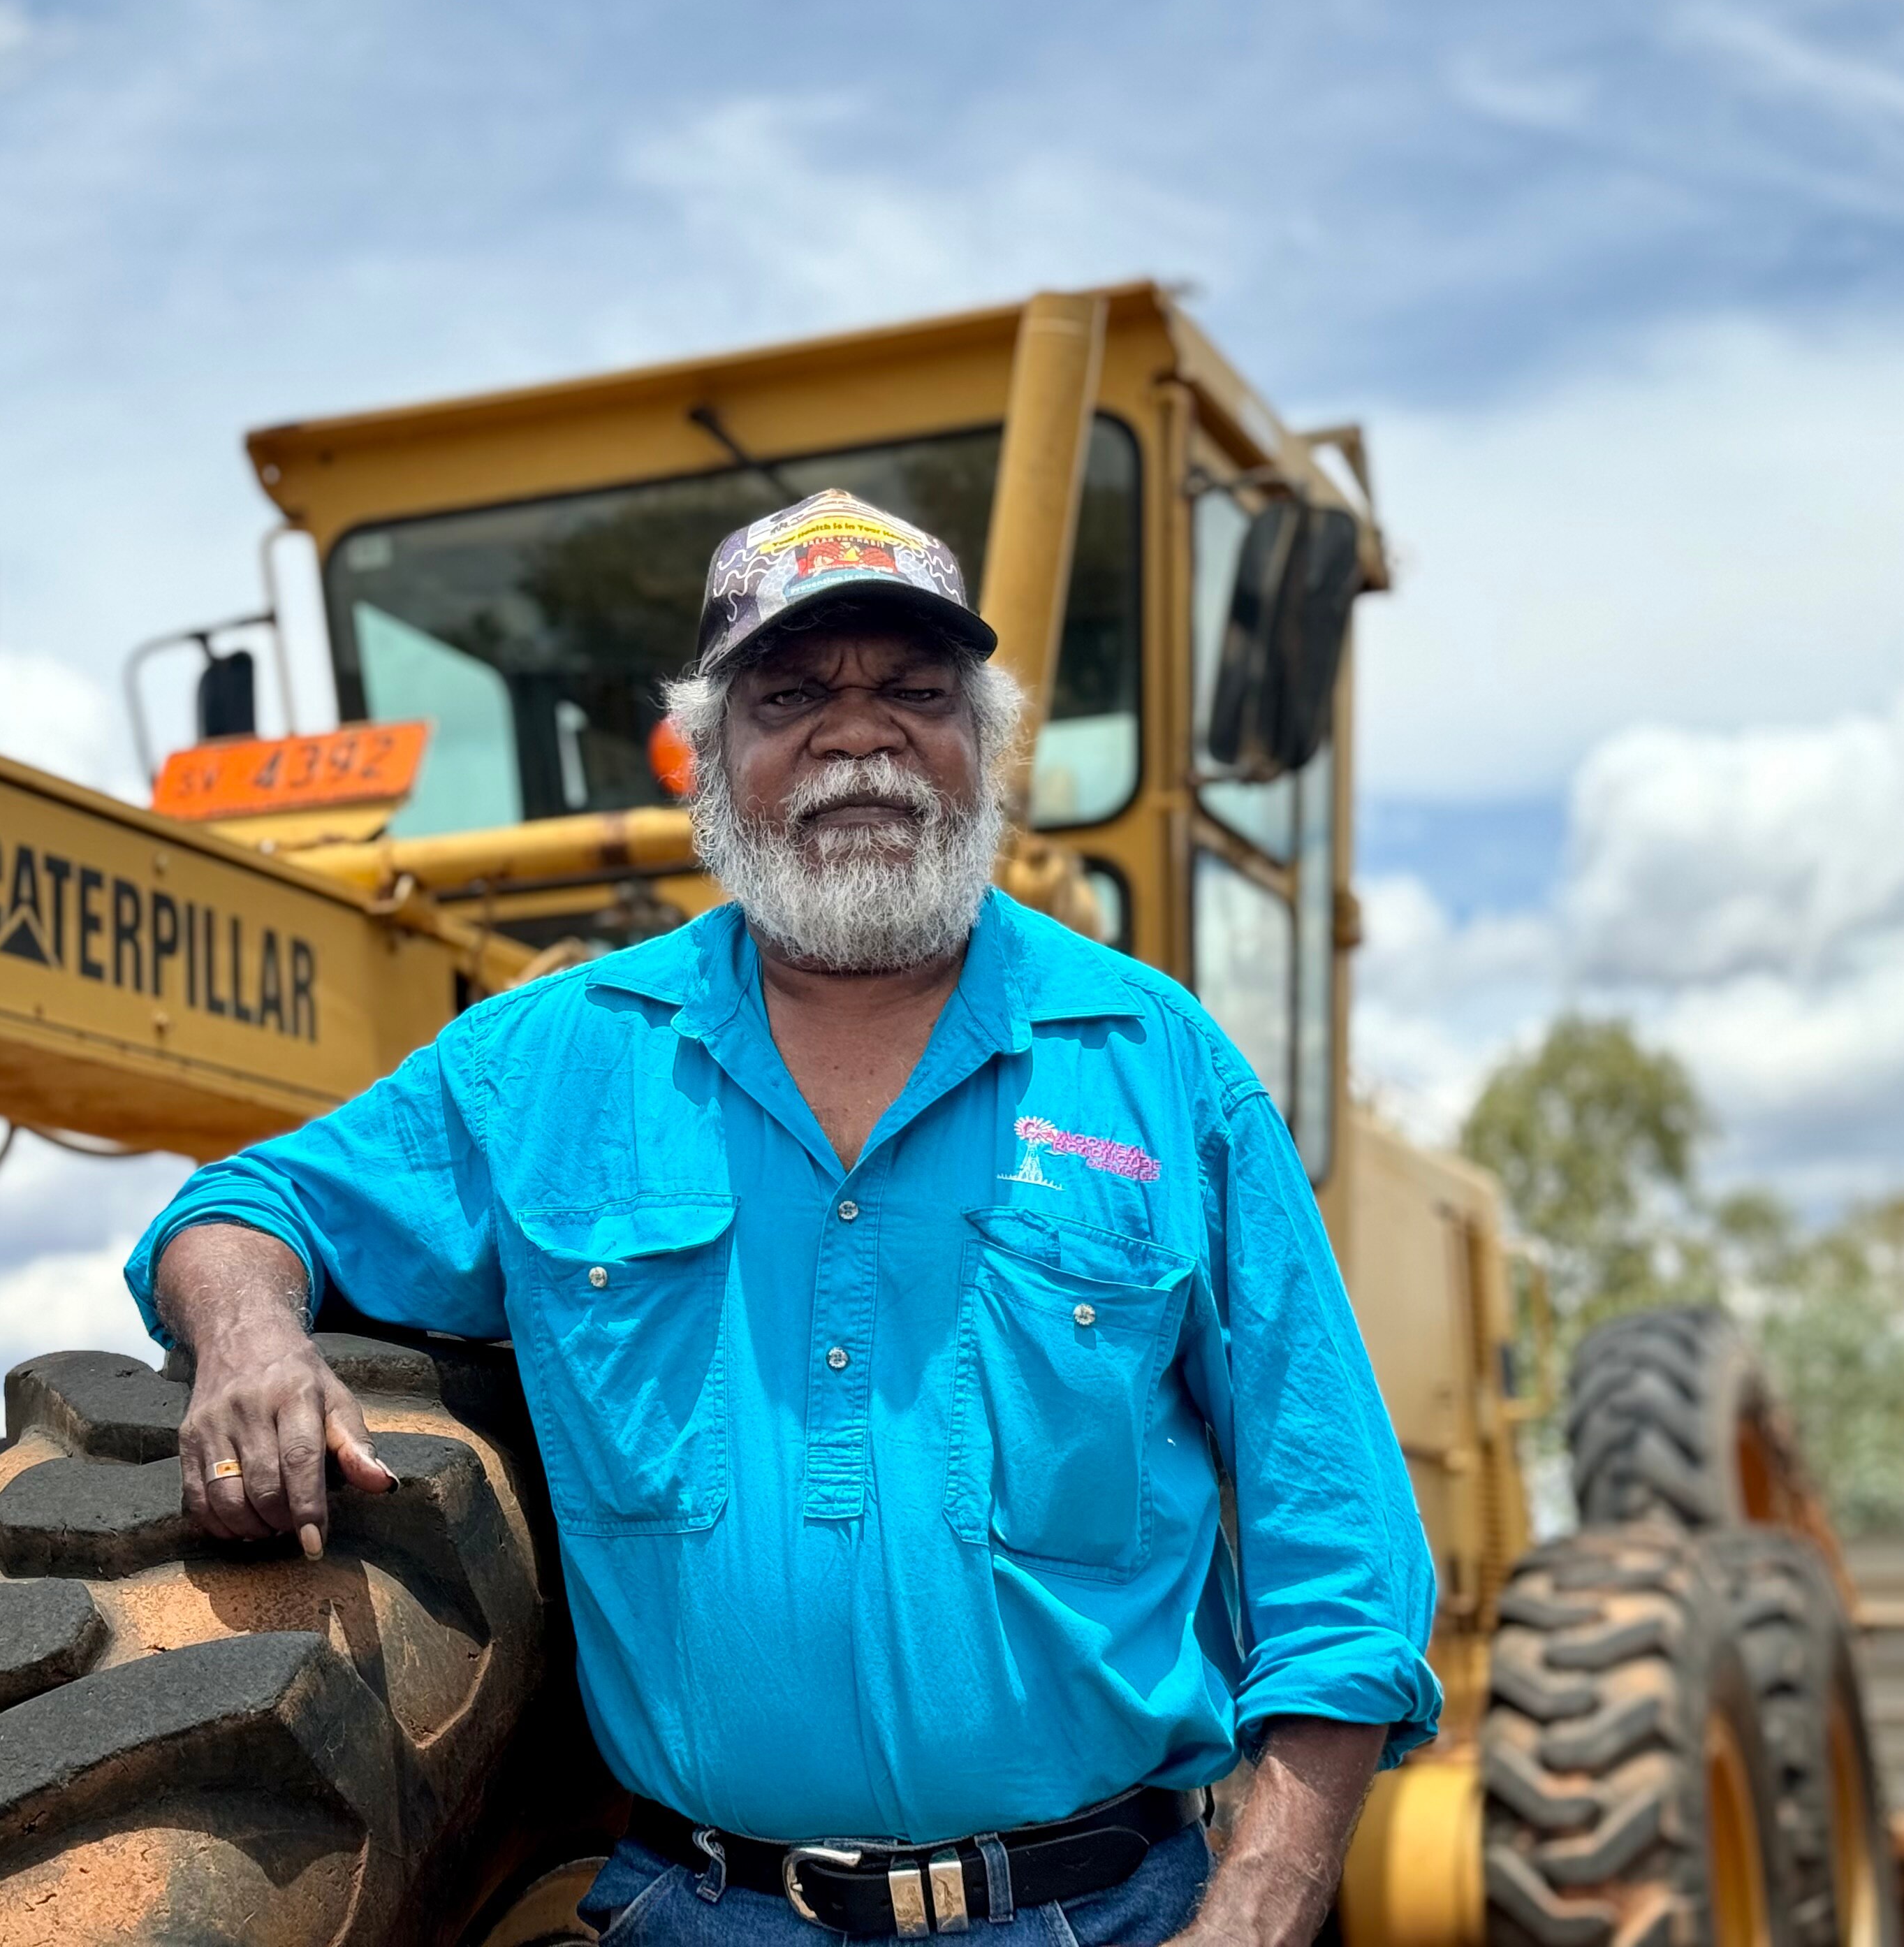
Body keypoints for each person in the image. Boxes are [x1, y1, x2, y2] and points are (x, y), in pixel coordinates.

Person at [126, 489, 1441, 1946]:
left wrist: (1260, 1904)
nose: (858, 734)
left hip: (1105, 1914)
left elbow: (1344, 1554)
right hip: (702, 1912)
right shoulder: (552, 1062)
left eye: (916, 693)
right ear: (709, 758)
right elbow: (243, 1206)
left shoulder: (1156, 1066)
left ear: (985, 745)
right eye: (793, 693)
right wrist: (250, 1336)